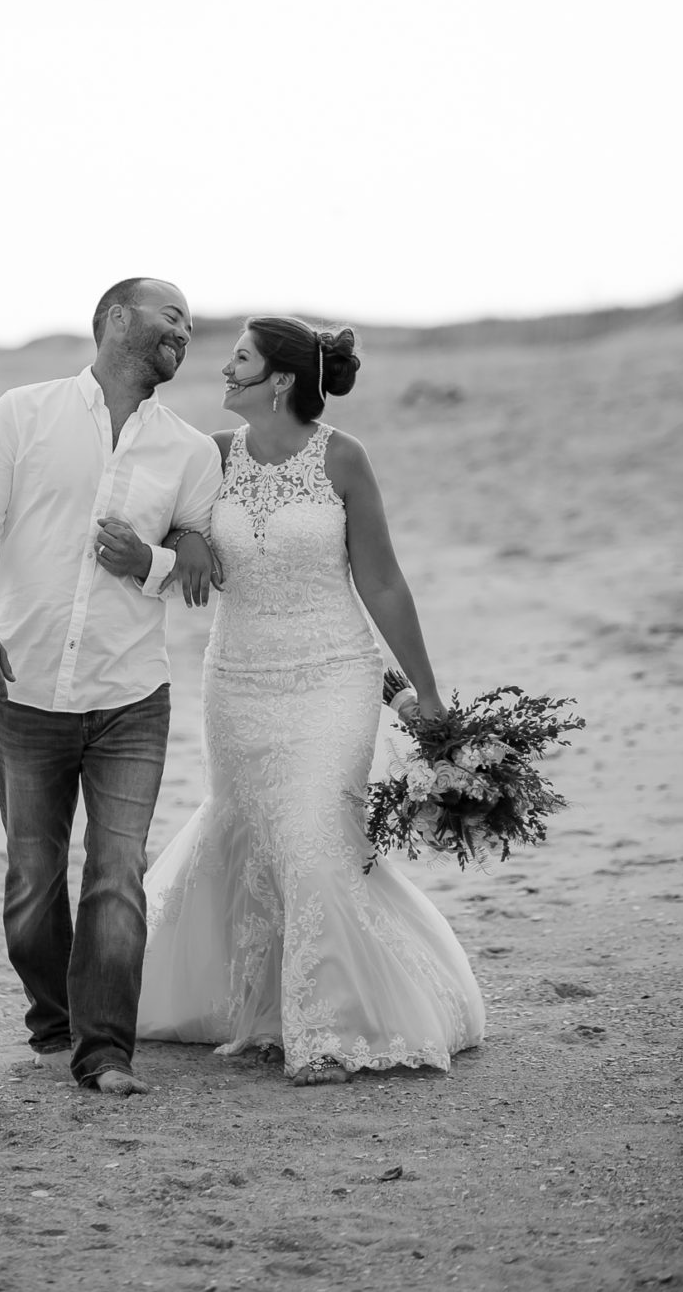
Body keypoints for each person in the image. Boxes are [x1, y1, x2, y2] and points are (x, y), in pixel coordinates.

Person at [136, 316, 486, 1084]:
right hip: (236, 682)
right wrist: (189, 542)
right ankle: (266, 1014)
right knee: (259, 843)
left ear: (282, 380)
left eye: (240, 360)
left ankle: (330, 1028)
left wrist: (425, 691)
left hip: (334, 675)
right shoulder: (212, 456)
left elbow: (383, 580)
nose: (223, 372)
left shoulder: (344, 458)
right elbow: (163, 534)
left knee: (316, 837)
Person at [0, 278, 223, 1096]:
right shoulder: (22, 413)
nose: (184, 328)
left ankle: (105, 1051)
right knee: (32, 882)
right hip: (24, 687)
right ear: (112, 319)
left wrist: (156, 561)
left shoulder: (189, 450)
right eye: (170, 314)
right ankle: (55, 1016)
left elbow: (204, 558)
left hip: (131, 696)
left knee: (116, 873)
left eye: (190, 324)